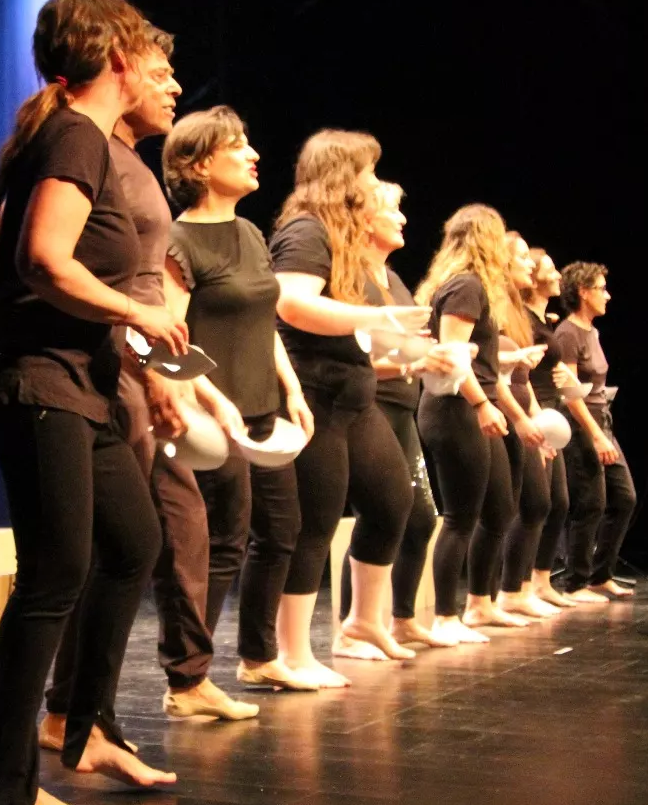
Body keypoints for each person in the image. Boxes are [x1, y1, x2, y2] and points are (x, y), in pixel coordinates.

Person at [0, 0, 184, 805]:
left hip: (72, 381)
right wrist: (142, 311)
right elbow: (43, 260)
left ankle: (82, 728)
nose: (160, 74)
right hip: (34, 380)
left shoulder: (58, 135)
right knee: (52, 577)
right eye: (147, 58)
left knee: (132, 542)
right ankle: (10, 790)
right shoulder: (76, 134)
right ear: (117, 58)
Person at [160, 105, 316, 694]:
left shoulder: (251, 233)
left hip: (261, 409)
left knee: (281, 530)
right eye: (237, 145)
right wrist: (213, 398)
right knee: (223, 542)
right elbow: (169, 338)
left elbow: (264, 322)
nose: (254, 154)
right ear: (199, 165)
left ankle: (258, 656)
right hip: (208, 413)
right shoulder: (176, 241)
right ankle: (189, 681)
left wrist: (292, 388)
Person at [272, 131, 426, 685]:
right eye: (369, 172)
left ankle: (363, 623)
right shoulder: (307, 228)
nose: (378, 184)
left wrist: (402, 342)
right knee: (315, 520)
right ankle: (291, 651)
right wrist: (377, 320)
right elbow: (290, 303)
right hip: (314, 392)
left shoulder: (344, 239)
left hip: (352, 396)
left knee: (391, 499)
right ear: (343, 176)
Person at [336, 182, 464, 646]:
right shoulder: (351, 278)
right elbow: (350, 354)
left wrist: (433, 355)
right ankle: (351, 631)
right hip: (368, 405)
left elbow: (403, 344)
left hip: (402, 406)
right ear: (364, 218)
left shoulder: (394, 281)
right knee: (380, 511)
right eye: (392, 209)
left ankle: (402, 618)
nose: (403, 218)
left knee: (421, 518)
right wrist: (412, 361)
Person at [414, 204, 521, 643]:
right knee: (460, 517)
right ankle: (445, 616)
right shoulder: (466, 287)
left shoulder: (468, 287)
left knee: (498, 510)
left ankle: (481, 605)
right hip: (456, 408)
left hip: (473, 406)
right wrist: (482, 405)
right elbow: (453, 361)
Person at [553, 262, 637, 603]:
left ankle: (601, 575)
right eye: (601, 288)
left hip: (602, 421)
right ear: (584, 292)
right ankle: (576, 582)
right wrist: (596, 437)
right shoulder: (567, 334)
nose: (608, 294)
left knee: (624, 498)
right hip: (581, 426)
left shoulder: (591, 331)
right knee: (591, 503)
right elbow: (570, 395)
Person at [493, 232, 561, 620]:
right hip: (503, 410)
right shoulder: (495, 306)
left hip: (521, 403)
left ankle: (515, 590)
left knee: (538, 501)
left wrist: (536, 417)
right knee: (522, 503)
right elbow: (493, 373)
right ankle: (505, 592)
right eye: (522, 258)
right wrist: (519, 420)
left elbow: (522, 376)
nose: (531, 267)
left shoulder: (516, 309)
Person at [512, 247, 578, 608]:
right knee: (534, 502)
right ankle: (516, 587)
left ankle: (538, 581)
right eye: (551, 270)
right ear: (534, 278)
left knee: (558, 502)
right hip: (533, 409)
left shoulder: (543, 319)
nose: (558, 276)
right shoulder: (522, 318)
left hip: (548, 408)